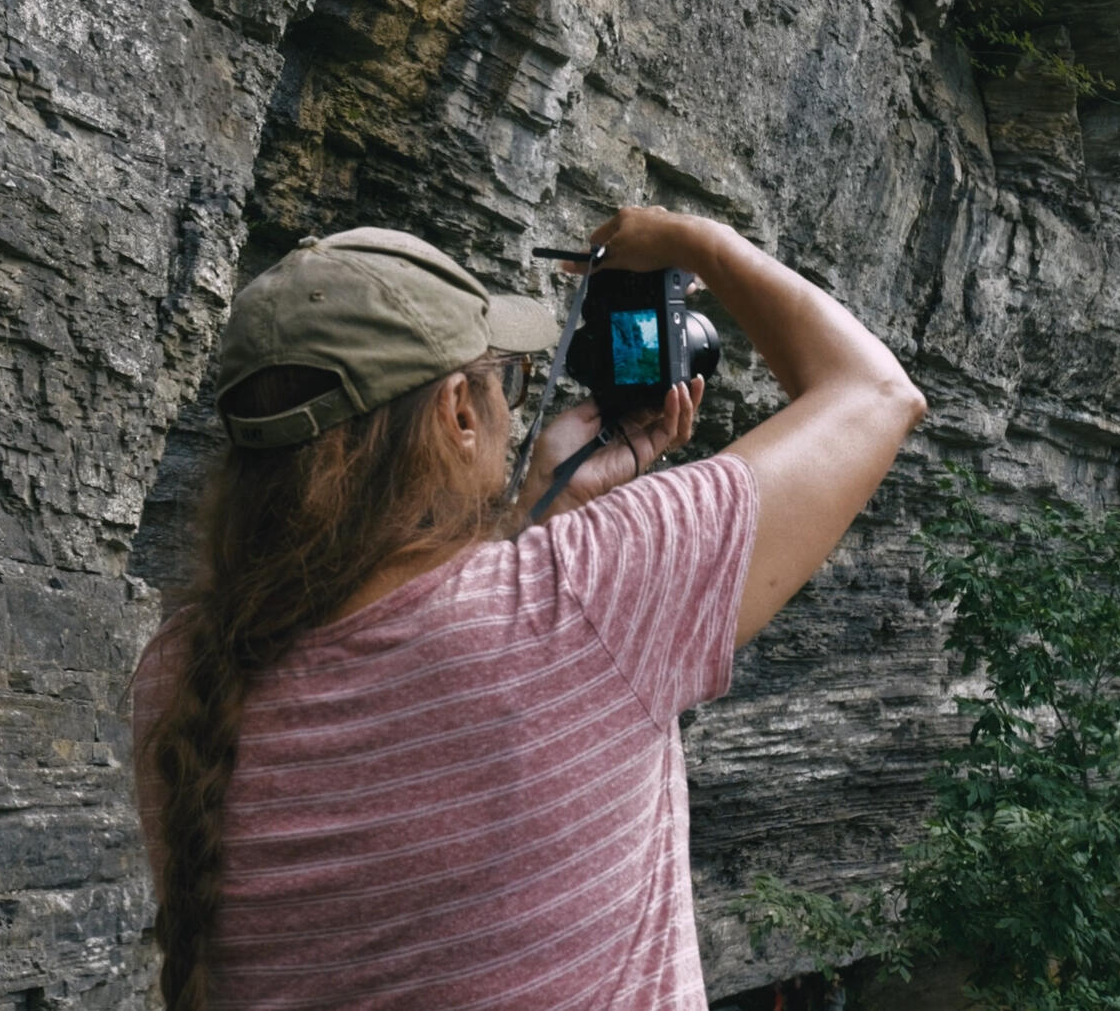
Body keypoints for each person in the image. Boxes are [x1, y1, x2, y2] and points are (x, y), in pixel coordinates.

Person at [129, 207, 926, 1010]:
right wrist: (696, 242)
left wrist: (539, 520)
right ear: (458, 413)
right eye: (503, 380)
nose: (514, 411)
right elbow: (876, 393)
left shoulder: (179, 674)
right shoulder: (578, 595)